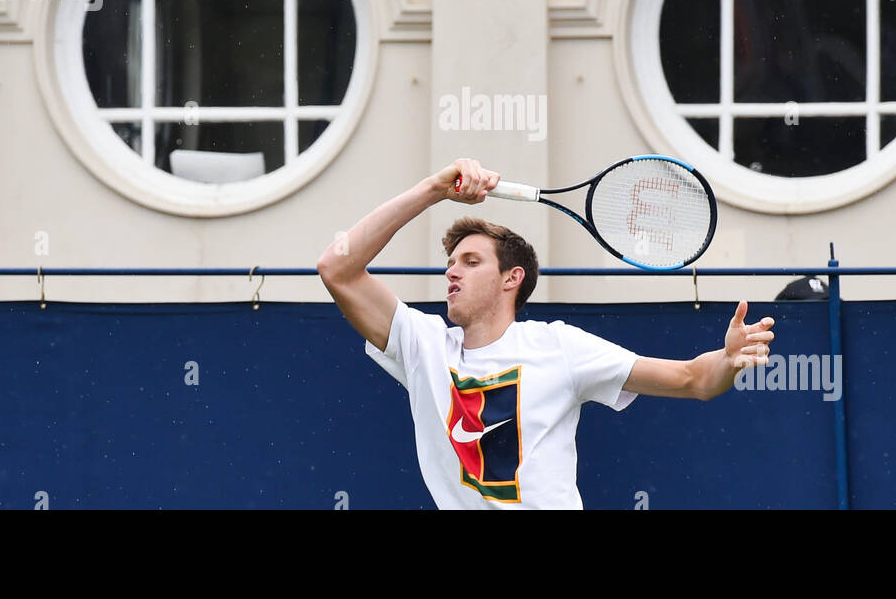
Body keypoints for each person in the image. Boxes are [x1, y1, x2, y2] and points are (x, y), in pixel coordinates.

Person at [316, 158, 776, 509]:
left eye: (471, 262)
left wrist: (728, 359)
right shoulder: (424, 346)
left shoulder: (559, 346)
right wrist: (433, 189)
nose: (452, 273)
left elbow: (693, 380)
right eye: (450, 264)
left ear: (511, 278)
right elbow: (338, 267)